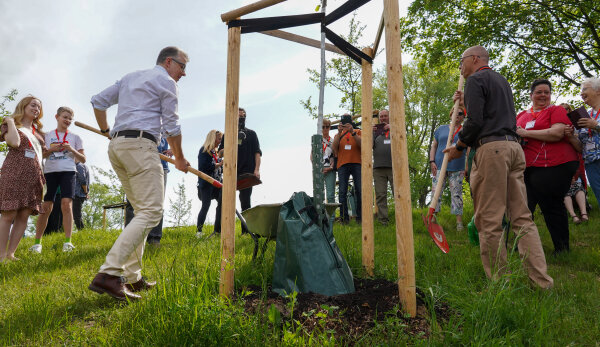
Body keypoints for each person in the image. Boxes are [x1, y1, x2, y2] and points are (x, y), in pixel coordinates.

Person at [444, 45, 553, 289]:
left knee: (489, 220)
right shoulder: (501, 81)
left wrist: (459, 146)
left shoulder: (475, 80)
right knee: (522, 218)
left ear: (474, 59)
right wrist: (463, 105)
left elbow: (476, 122)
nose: (461, 69)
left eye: (462, 63)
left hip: (492, 151)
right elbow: (488, 113)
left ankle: (499, 284)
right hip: (514, 149)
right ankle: (542, 282)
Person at [89, 46, 190, 300]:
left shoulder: (130, 77)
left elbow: (98, 101)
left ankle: (133, 278)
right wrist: (179, 158)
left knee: (141, 211)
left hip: (118, 147)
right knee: (151, 211)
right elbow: (172, 126)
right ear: (169, 62)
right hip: (141, 146)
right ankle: (109, 274)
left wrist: (106, 131)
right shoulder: (166, 81)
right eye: (183, 67)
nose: (184, 74)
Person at [515, 79, 578, 253]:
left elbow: (557, 133)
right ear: (531, 95)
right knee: (523, 207)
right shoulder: (521, 116)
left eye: (546, 92)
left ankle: (562, 249)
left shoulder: (555, 110)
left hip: (554, 165)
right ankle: (521, 248)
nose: (543, 95)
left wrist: (526, 133)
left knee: (551, 205)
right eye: (539, 92)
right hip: (526, 167)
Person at [30, 106, 86, 254]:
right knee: (46, 206)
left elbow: (83, 159)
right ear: (57, 117)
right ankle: (37, 244)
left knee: (66, 204)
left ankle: (68, 242)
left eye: (70, 118)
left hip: (68, 172)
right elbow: (40, 155)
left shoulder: (75, 137)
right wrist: (52, 150)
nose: (67, 120)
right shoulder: (47, 136)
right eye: (65, 117)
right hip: (50, 172)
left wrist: (71, 149)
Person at [0, 96, 46, 262]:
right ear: (24, 106)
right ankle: (0, 255)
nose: (36, 109)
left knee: (24, 215)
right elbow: (14, 142)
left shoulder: (38, 133)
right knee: (8, 213)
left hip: (34, 176)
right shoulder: (11, 125)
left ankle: (10, 254)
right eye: (33, 105)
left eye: (39, 107)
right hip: (14, 173)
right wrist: (11, 122)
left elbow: (42, 153)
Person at [124, 134, 172, 245]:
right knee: (133, 202)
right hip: (138, 163)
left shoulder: (165, 123)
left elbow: (173, 136)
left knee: (157, 203)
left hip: (161, 165)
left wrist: (173, 149)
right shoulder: (138, 120)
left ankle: (154, 238)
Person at [429, 107, 467, 230]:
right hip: (440, 165)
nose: (457, 115)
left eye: (460, 113)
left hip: (457, 166)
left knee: (456, 194)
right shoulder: (441, 129)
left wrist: (467, 166)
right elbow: (434, 146)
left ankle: (459, 224)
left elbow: (469, 149)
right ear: (451, 113)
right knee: (436, 192)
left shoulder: (465, 131)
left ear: (463, 117)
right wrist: (432, 161)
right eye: (455, 112)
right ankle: (433, 220)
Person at [218, 107, 261, 211]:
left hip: (247, 171)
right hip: (230, 171)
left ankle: (245, 227)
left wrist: (257, 169)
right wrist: (232, 142)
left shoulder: (251, 134)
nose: (240, 118)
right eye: (238, 116)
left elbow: (257, 153)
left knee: (245, 201)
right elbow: (220, 154)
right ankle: (218, 228)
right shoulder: (227, 134)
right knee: (222, 200)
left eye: (242, 116)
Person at [573, 77, 600, 208]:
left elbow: (595, 126)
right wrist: (570, 136)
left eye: (584, 89)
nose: (581, 93)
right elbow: (580, 146)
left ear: (598, 91)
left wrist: (596, 125)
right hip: (590, 164)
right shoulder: (584, 115)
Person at [333, 114, 362, 224]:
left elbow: (362, 145)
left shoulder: (358, 132)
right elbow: (334, 148)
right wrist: (340, 132)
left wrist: (353, 132)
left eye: (347, 123)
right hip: (342, 165)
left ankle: (360, 218)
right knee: (342, 191)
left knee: (359, 190)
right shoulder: (338, 134)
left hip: (357, 163)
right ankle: (344, 219)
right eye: (343, 123)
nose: (345, 125)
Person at [196, 130, 223, 237]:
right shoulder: (204, 150)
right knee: (206, 205)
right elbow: (204, 167)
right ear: (213, 138)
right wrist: (218, 164)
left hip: (217, 183)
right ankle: (199, 231)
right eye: (219, 139)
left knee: (222, 204)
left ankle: (218, 229)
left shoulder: (214, 152)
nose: (220, 141)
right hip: (206, 183)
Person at [373, 109, 393, 225]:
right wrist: (371, 133)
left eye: (385, 116)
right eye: (381, 116)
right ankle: (383, 220)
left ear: (389, 117)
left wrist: (393, 128)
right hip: (378, 168)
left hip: (394, 167)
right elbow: (369, 146)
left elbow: (402, 140)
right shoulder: (376, 131)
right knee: (380, 194)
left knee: (398, 193)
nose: (383, 118)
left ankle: (402, 218)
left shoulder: (395, 128)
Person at [73, 161, 90, 230]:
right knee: (76, 214)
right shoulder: (83, 166)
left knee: (77, 215)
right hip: (79, 193)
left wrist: (86, 192)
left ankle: (82, 231)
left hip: (78, 194)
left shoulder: (79, 166)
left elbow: (83, 180)